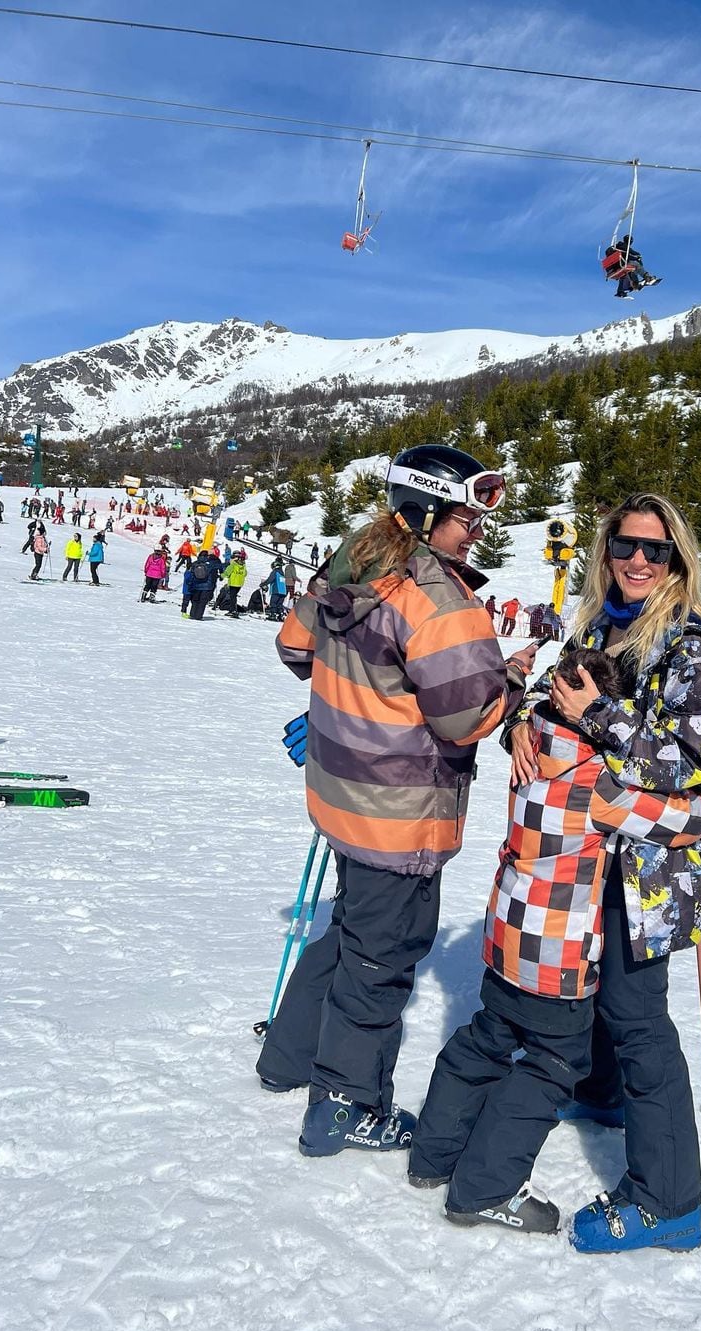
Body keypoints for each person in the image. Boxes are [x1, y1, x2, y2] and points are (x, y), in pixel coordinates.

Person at [254, 444, 538, 1162]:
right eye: (466, 515)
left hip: (341, 792)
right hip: (399, 807)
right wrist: (506, 681)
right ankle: (345, 1104)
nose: (476, 528)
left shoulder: (354, 558)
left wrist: (360, 692)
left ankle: (288, 1056)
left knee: (352, 927)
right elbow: (463, 716)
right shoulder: (438, 594)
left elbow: (296, 647)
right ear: (427, 509)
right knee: (381, 957)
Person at [409, 624, 701, 1241]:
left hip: (506, 931)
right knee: (554, 1061)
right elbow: (685, 818)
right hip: (556, 949)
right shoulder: (599, 783)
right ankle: (485, 1186)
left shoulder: (536, 745)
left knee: (488, 1036)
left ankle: (434, 1153)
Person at [512, 492, 701, 1253]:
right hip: (597, 850)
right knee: (604, 986)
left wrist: (603, 714)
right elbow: (560, 696)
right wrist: (522, 721)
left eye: (655, 549)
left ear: (677, 558)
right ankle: (603, 1093)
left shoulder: (686, 641)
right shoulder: (604, 620)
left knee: (640, 1019)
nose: (638, 560)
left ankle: (671, 1198)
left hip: (654, 865)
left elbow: (694, 762)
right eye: (625, 546)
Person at [184, 549, 217, 620]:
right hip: (206, 587)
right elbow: (213, 577)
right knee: (202, 602)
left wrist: (190, 585)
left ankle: (192, 615)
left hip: (196, 586)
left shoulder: (195, 563)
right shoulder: (210, 565)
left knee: (195, 600)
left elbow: (191, 575)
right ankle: (198, 616)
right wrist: (212, 587)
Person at [221, 551, 247, 617]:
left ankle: (232, 610)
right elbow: (245, 573)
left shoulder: (233, 564)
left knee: (232, 597)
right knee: (234, 597)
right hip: (239, 583)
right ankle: (233, 609)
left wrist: (221, 576)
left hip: (233, 583)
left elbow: (227, 572)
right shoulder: (243, 565)